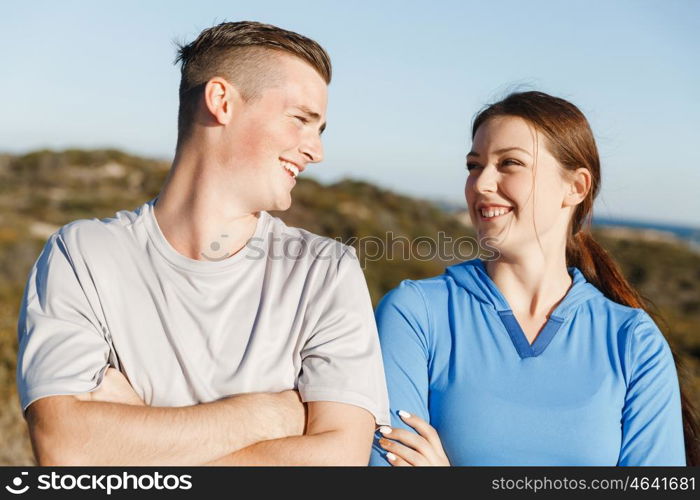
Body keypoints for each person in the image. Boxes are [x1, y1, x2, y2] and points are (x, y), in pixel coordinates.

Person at [17, 20, 390, 466]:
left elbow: (339, 461)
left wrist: (133, 444)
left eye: (320, 129)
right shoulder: (82, 255)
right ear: (221, 102)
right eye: (300, 120)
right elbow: (65, 449)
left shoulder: (326, 270)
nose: (316, 151)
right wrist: (269, 415)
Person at [369, 91, 696, 466]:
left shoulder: (633, 341)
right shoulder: (416, 313)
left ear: (575, 187)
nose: (481, 183)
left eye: (509, 163)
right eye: (474, 166)